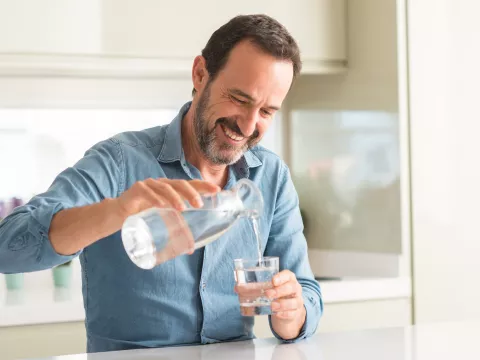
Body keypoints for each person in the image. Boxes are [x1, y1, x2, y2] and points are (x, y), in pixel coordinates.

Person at [0, 14, 322, 352]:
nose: (248, 125)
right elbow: (7, 248)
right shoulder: (120, 161)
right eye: (240, 99)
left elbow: (305, 292)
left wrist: (291, 312)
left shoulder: (270, 176)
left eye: (267, 112)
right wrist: (117, 211)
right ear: (200, 74)